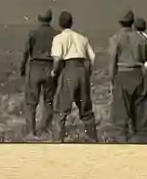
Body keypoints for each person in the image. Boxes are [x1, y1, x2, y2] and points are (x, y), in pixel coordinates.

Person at [50, 11, 98, 142]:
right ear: (71, 23)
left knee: (61, 108)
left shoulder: (58, 39)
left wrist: (54, 72)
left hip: (68, 70)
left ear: (60, 24)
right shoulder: (82, 38)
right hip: (82, 70)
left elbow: (57, 58)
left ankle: (58, 139)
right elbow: (92, 57)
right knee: (86, 108)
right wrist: (87, 72)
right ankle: (93, 138)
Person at [107, 10, 147, 141]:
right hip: (139, 75)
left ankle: (123, 146)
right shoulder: (142, 38)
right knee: (140, 115)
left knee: (121, 118)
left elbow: (112, 60)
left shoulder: (115, 39)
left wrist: (112, 80)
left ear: (120, 22)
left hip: (122, 75)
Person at [19, 8, 58, 137]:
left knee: (31, 102)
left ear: (39, 18)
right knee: (49, 101)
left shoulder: (33, 33)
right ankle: (44, 130)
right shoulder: (56, 34)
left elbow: (26, 51)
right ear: (51, 19)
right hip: (50, 68)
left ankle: (31, 131)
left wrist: (22, 67)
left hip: (35, 68)